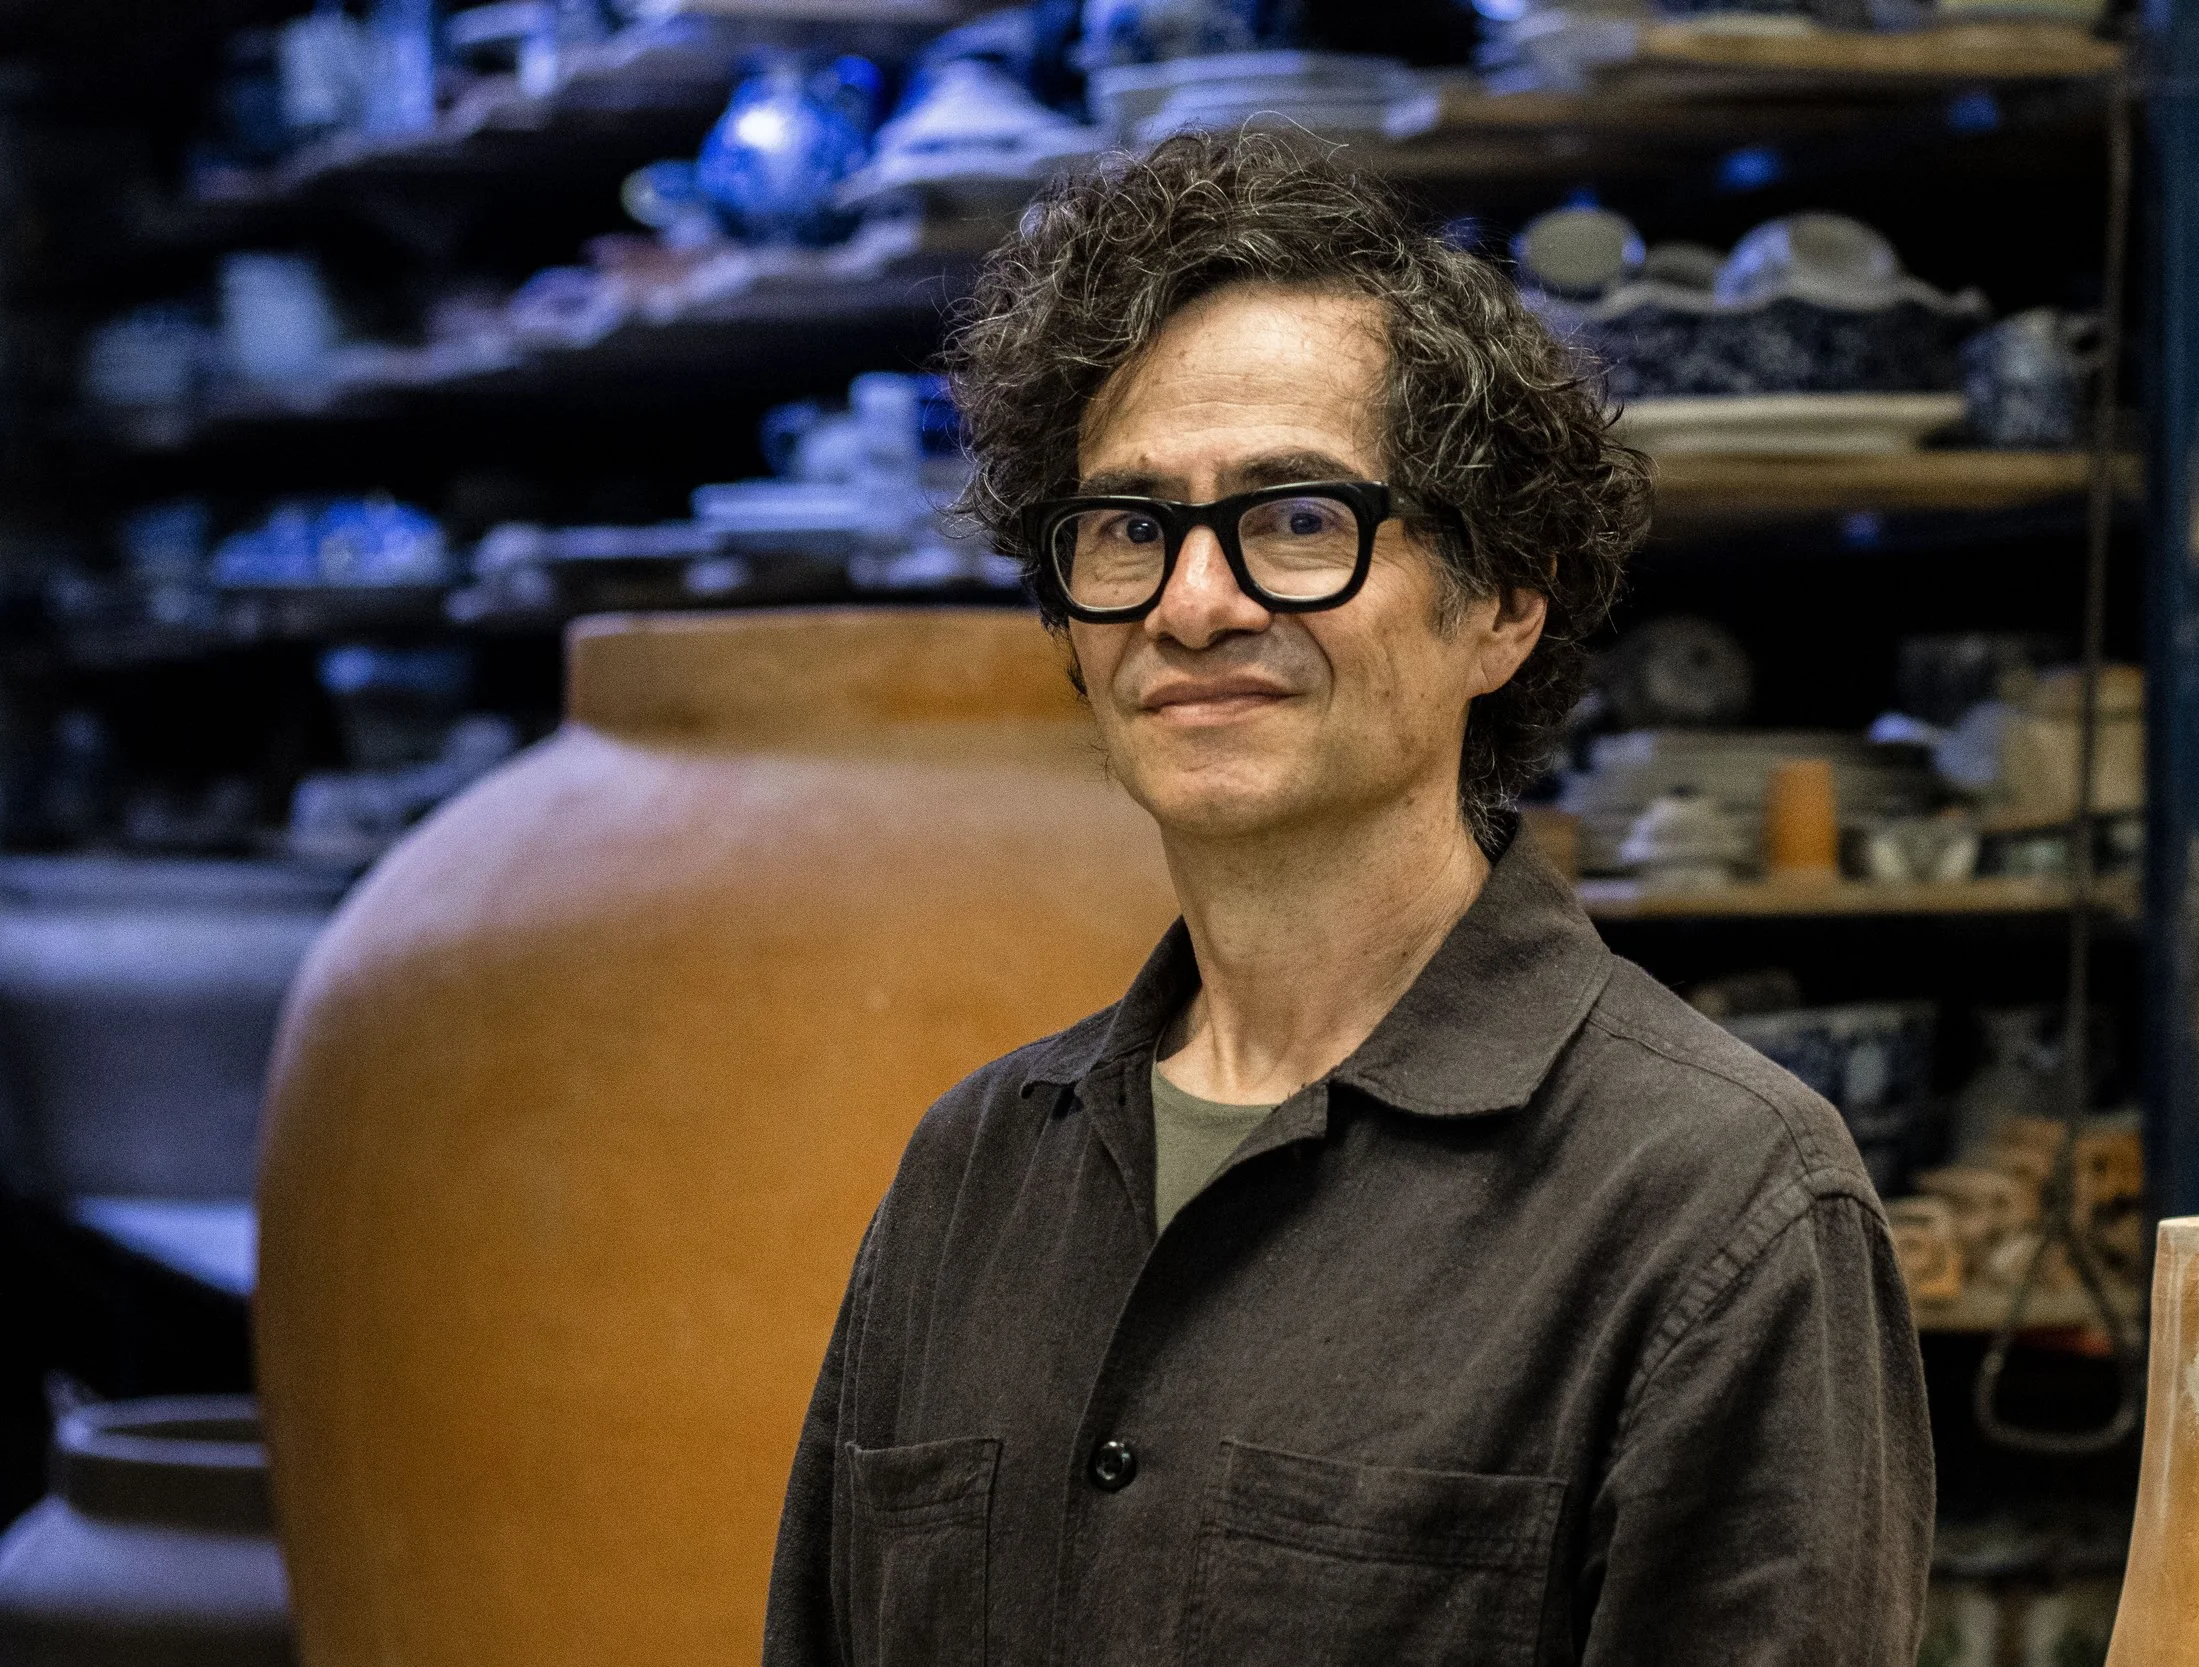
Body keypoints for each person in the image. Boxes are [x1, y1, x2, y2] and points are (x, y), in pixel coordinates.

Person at [764, 132, 1932, 1667]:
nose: (1195, 602)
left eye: (1298, 519)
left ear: (1505, 601)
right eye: (1127, 527)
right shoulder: (970, 1174)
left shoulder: (1718, 1208)